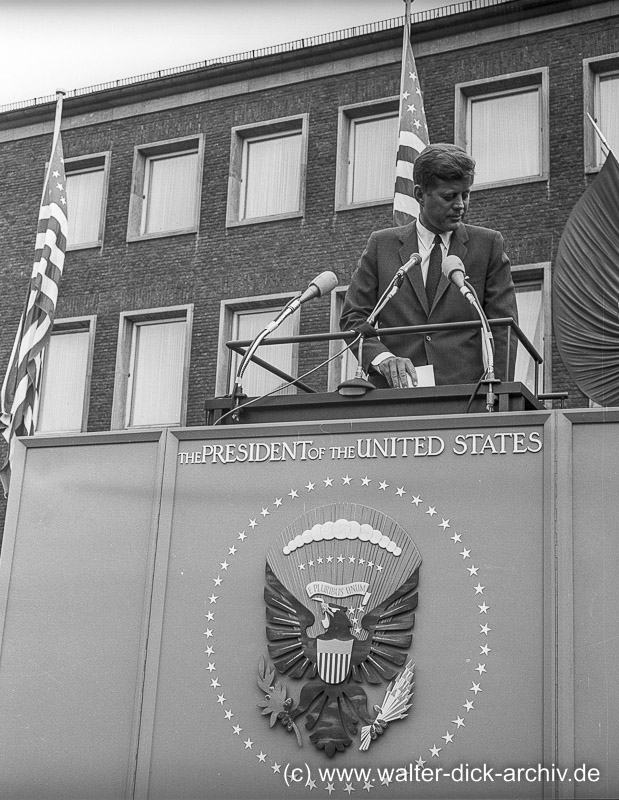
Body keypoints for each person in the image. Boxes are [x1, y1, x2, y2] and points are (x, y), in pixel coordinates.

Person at [340, 143, 518, 389]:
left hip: (468, 399)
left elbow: (502, 329)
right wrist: (384, 359)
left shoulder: (488, 245)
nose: (461, 205)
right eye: (449, 196)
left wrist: (500, 394)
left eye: (465, 194)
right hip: (395, 398)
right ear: (419, 194)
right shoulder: (381, 245)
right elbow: (354, 317)